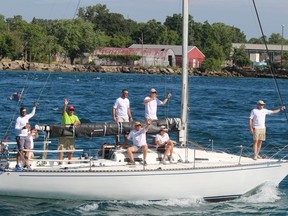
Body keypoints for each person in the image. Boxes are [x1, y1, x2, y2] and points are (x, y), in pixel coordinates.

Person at [14, 102, 39, 171]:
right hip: (20, 136)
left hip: (26, 136)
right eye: (23, 112)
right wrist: (23, 127)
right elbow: (16, 128)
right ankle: (17, 164)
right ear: (20, 112)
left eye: (25, 111)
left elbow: (32, 114)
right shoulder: (18, 119)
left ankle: (26, 164)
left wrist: (34, 107)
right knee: (20, 151)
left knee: (27, 150)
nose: (24, 113)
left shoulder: (26, 117)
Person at [58, 99, 81, 163]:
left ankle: (69, 161)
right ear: (68, 110)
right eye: (70, 110)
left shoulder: (75, 117)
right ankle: (60, 161)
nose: (71, 111)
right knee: (61, 148)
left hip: (71, 134)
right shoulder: (65, 115)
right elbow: (63, 111)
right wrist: (65, 105)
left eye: (72, 110)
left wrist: (76, 122)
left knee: (71, 148)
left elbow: (79, 122)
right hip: (63, 134)